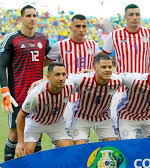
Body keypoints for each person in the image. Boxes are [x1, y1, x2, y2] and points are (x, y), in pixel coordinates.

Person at [0, 5, 51, 161]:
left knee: (37, 135)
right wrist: (5, 91)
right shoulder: (12, 38)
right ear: (21, 18)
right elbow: (1, 65)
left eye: (34, 15)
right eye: (28, 15)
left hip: (38, 96)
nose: (32, 18)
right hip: (18, 95)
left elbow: (53, 60)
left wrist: (47, 78)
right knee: (14, 134)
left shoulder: (43, 39)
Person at [98, 4, 150, 133]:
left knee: (144, 129)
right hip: (122, 88)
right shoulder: (115, 35)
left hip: (144, 88)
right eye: (131, 15)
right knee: (119, 127)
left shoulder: (149, 33)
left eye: (137, 14)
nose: (135, 17)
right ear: (125, 17)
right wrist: (110, 69)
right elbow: (103, 57)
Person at [46, 14, 101, 130]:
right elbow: (46, 63)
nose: (81, 30)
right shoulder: (60, 45)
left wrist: (92, 71)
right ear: (71, 27)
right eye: (77, 26)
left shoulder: (93, 45)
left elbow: (100, 65)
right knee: (66, 131)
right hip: (67, 96)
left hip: (88, 96)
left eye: (84, 26)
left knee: (83, 133)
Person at [15, 62, 73, 158]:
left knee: (69, 150)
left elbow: (82, 77)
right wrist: (20, 142)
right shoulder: (35, 94)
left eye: (63, 74)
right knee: (28, 152)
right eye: (57, 75)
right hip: (35, 122)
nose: (62, 78)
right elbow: (21, 116)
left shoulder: (70, 85)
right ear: (48, 77)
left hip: (56, 122)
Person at [69, 55, 120, 144]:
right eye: (104, 67)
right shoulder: (83, 78)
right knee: (79, 148)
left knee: (113, 145)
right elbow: (61, 79)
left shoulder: (117, 80)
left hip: (103, 116)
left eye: (110, 67)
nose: (108, 70)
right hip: (82, 116)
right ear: (95, 68)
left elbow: (134, 78)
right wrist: (44, 80)